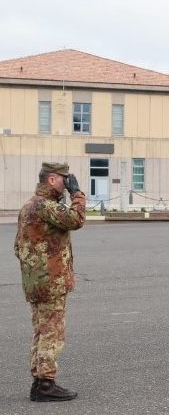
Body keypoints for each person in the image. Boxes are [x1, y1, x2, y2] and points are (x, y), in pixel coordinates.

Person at [15, 162, 86, 402]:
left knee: (42, 331)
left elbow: (19, 247)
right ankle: (45, 384)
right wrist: (77, 194)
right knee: (52, 332)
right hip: (50, 282)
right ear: (52, 179)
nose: (66, 185)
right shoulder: (45, 206)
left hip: (37, 282)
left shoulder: (29, 206)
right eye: (64, 180)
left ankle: (40, 381)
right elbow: (76, 219)